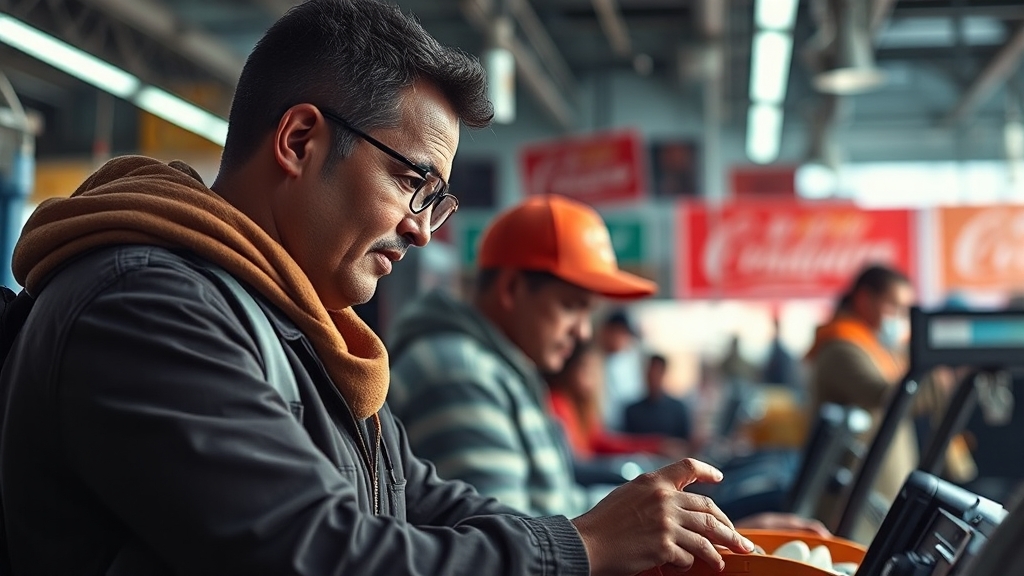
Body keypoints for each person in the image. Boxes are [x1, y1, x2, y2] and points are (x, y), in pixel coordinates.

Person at [0, 2, 759, 574]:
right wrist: (581, 547)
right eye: (411, 182)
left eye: (437, 200)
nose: (423, 230)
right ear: (300, 140)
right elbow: (316, 552)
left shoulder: (304, 329)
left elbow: (421, 499)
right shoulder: (147, 306)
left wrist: (639, 533)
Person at [389, 194, 830, 537]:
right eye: (571, 306)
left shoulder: (499, 371)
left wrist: (698, 526)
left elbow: (551, 510)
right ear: (511, 289)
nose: (584, 333)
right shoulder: (459, 372)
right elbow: (501, 548)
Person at [805, 264, 917, 523]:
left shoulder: (877, 347)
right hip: (854, 499)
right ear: (865, 300)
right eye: (894, 305)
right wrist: (934, 375)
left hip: (874, 492)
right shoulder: (841, 347)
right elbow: (881, 395)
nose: (900, 317)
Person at [547, 342, 686, 462]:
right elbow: (575, 464)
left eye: (596, 370)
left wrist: (657, 446)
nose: (593, 377)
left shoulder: (582, 408)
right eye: (586, 368)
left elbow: (603, 443)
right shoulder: (557, 402)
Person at [624, 354, 694, 442]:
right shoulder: (632, 411)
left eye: (657, 372)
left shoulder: (678, 409)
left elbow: (685, 442)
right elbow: (627, 442)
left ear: (664, 373)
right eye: (650, 372)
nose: (653, 376)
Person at [597, 308, 647, 431]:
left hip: (626, 427)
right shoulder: (593, 360)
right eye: (620, 333)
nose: (623, 339)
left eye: (626, 334)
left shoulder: (630, 363)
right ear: (607, 331)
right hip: (601, 428)